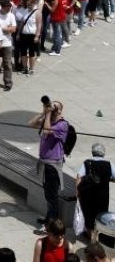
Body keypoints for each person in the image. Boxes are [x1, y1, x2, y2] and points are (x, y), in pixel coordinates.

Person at [28, 99, 69, 230]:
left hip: (53, 166)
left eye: (55, 107)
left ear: (60, 110)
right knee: (48, 195)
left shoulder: (62, 125)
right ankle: (48, 219)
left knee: (52, 197)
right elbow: (31, 124)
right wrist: (43, 112)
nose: (53, 108)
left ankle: (52, 226)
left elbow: (46, 131)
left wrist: (48, 115)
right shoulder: (49, 120)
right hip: (45, 164)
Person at [76, 143, 114, 239]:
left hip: (88, 196)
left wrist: (78, 193)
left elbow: (79, 177)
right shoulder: (109, 164)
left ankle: (92, 240)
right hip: (103, 196)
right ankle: (98, 237)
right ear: (103, 153)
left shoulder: (87, 163)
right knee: (100, 216)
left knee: (89, 217)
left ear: (93, 152)